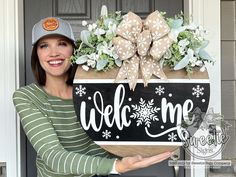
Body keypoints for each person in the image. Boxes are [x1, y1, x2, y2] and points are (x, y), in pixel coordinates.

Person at [13, 17, 173, 177]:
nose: (54, 52)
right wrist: (117, 166)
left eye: (62, 44)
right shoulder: (27, 97)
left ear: (73, 50)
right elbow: (54, 157)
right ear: (37, 54)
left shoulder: (97, 88)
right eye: (44, 46)